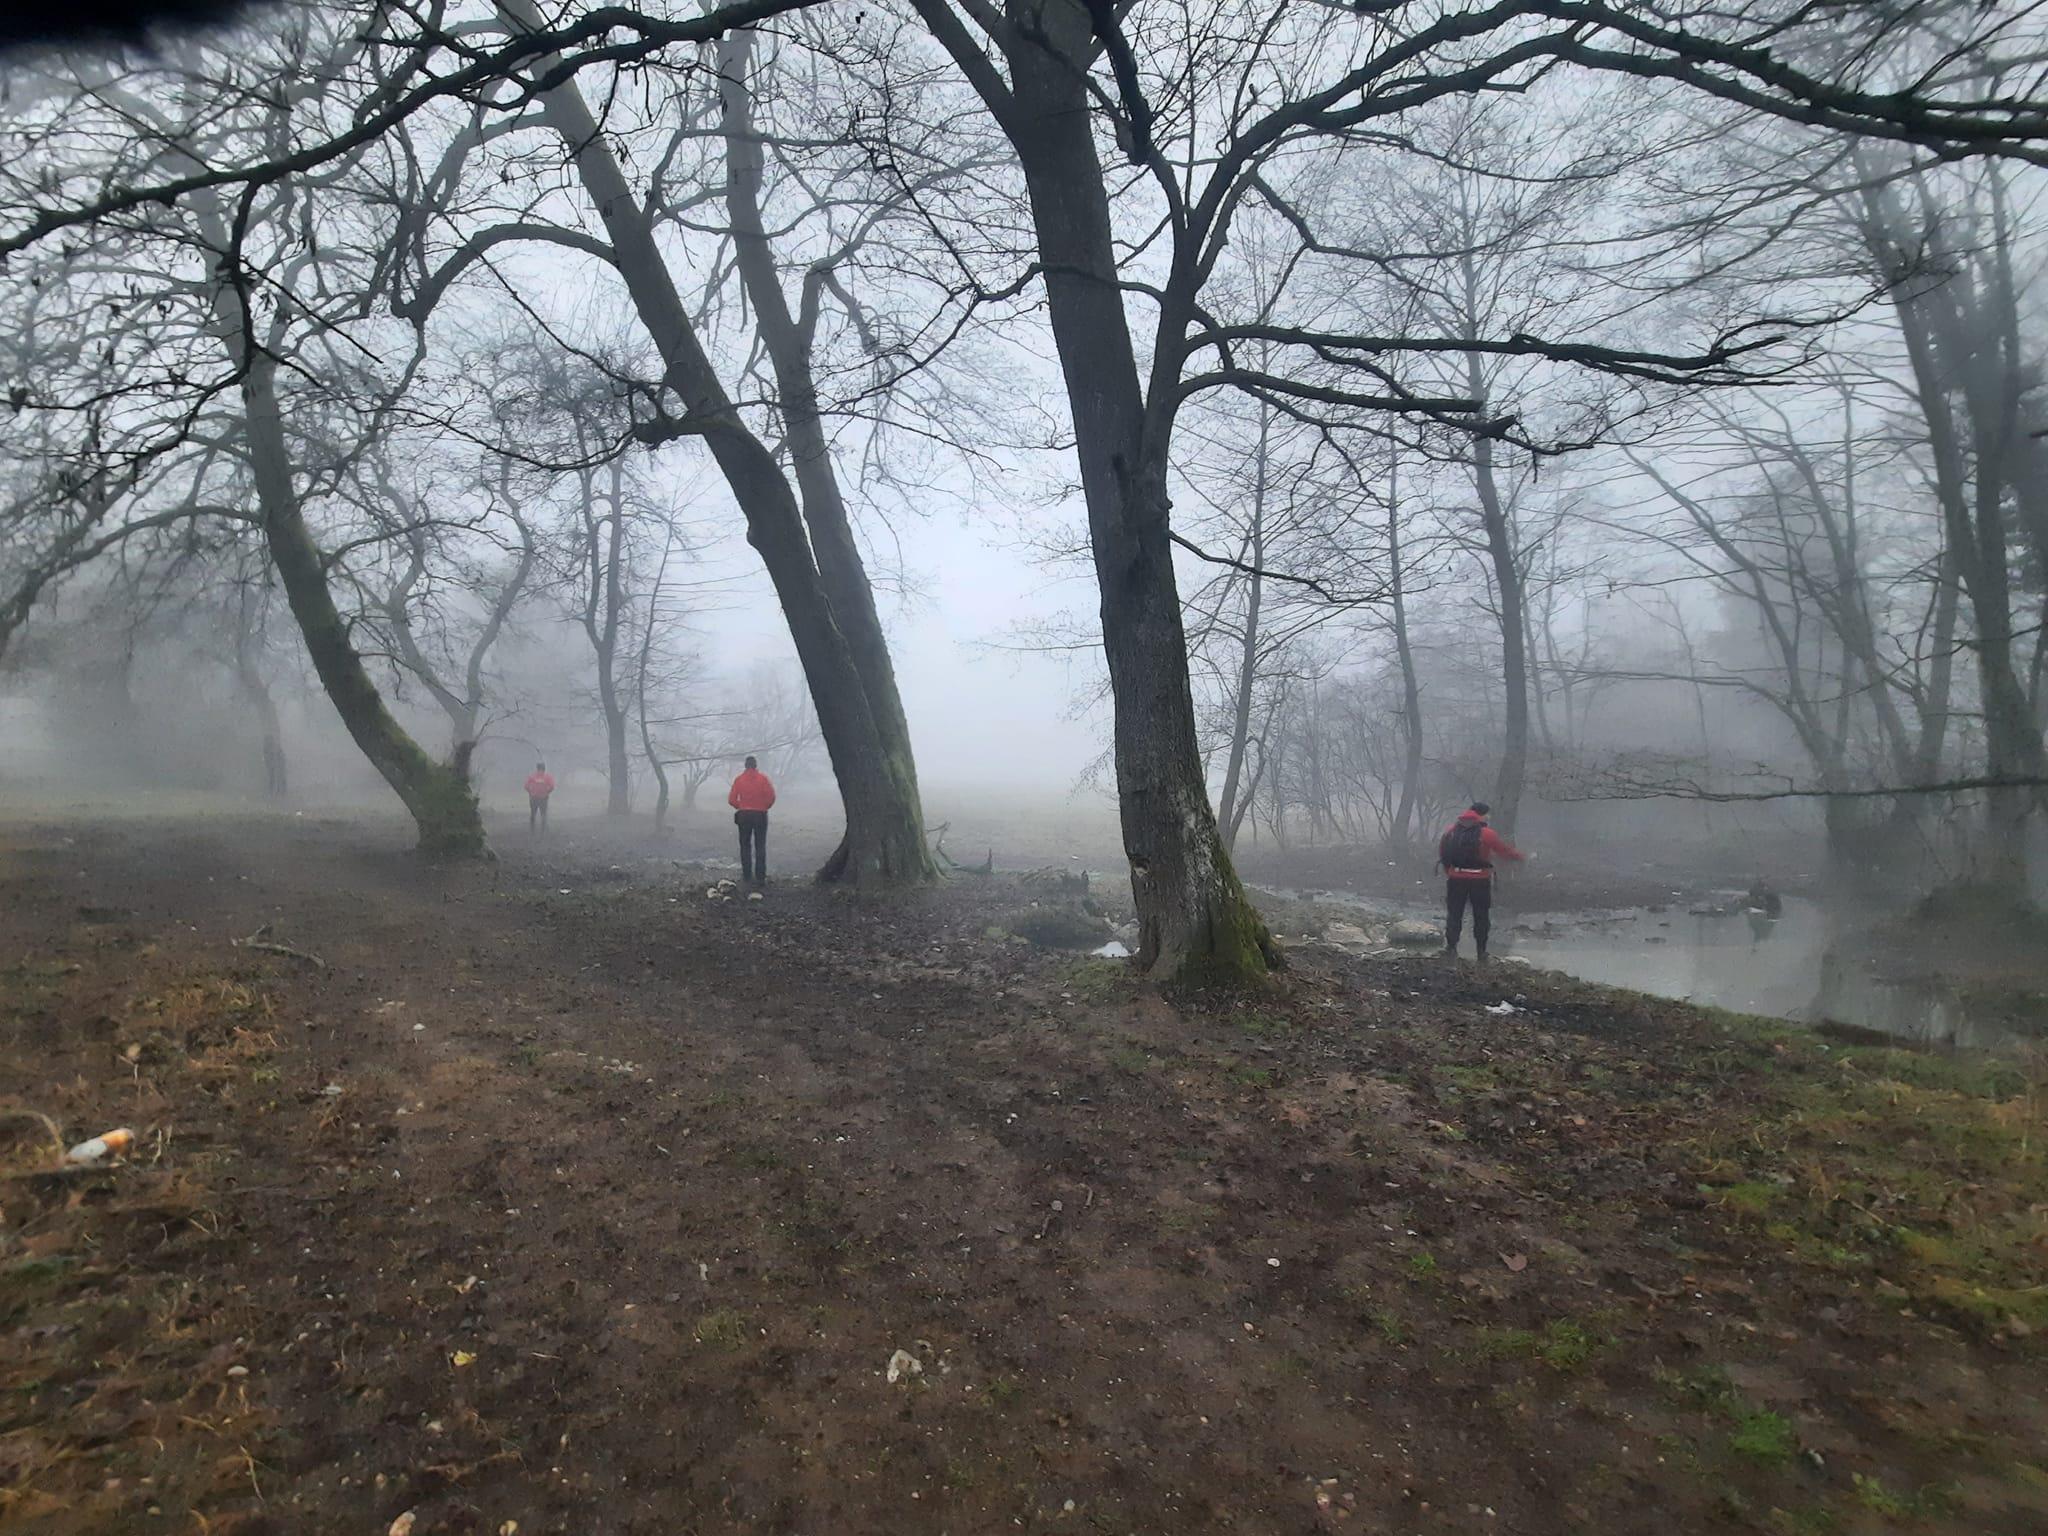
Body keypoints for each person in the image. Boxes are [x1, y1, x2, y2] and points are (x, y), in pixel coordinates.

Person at [1436, 801, 1527, 961]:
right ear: (1482, 815)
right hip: (1480, 881)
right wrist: (1520, 856)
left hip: (1456, 879)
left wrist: (1450, 872)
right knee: (1481, 915)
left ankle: (1451, 948)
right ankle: (1481, 952)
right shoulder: (1487, 833)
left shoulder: (1451, 831)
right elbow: (1503, 851)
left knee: (1454, 914)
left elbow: (1443, 854)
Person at [728, 755, 777, 885]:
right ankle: (760, 876)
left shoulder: (739, 779)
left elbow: (731, 799)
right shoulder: (763, 779)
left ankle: (747, 875)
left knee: (745, 845)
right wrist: (764, 806)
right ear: (756, 766)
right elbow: (771, 796)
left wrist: (741, 806)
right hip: (760, 815)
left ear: (745, 766)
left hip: (744, 815)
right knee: (760, 845)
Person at [524, 761, 556, 832]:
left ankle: (532, 829)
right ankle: (543, 830)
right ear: (544, 768)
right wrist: (547, 792)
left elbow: (526, 786)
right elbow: (552, 786)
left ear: (537, 768)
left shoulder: (532, 776)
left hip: (534, 798)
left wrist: (531, 792)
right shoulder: (548, 777)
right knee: (543, 814)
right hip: (543, 798)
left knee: (533, 813)